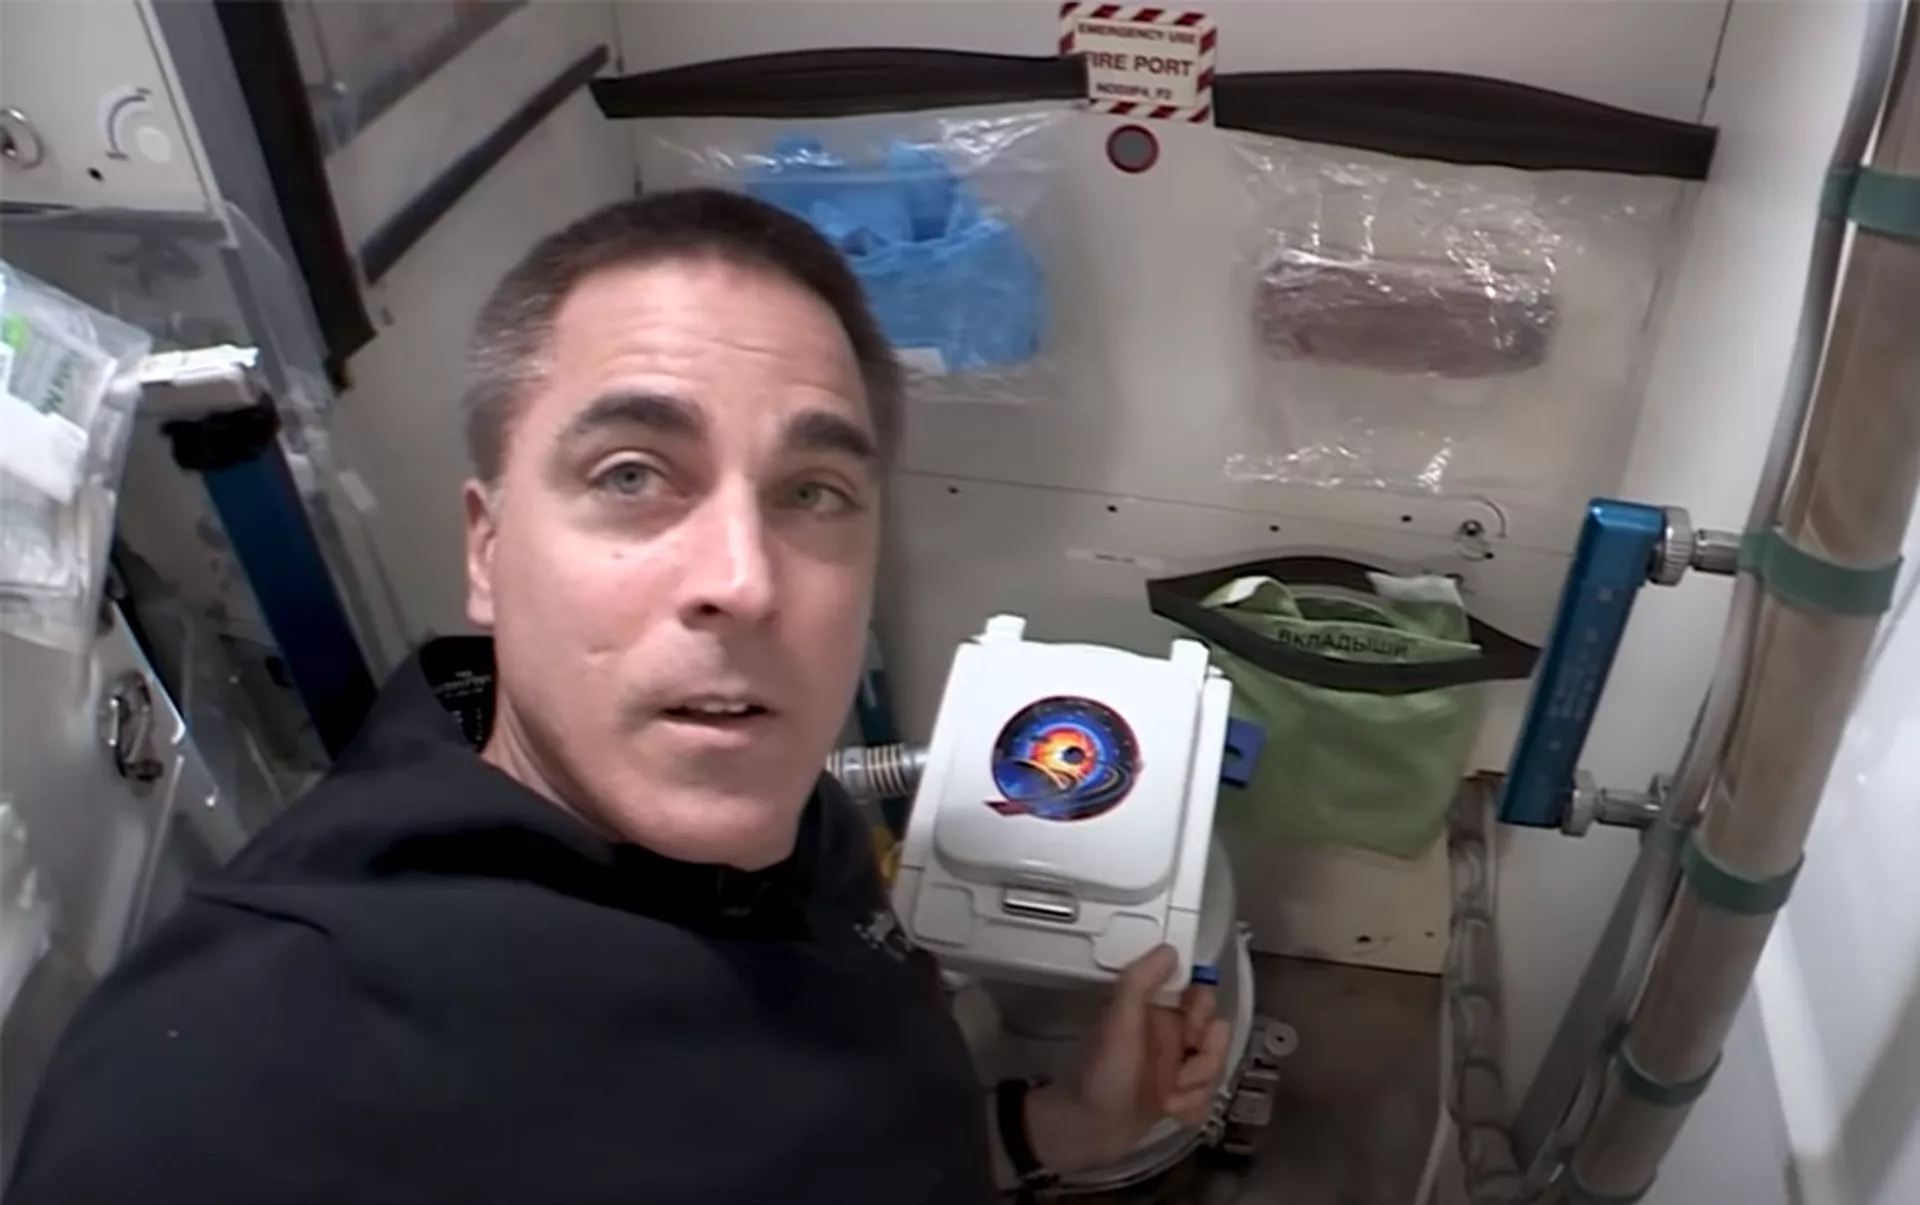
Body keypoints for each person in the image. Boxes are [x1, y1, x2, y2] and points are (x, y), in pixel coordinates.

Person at [5, 189, 1230, 1204]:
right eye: (634, 474)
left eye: (813, 492)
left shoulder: (785, 817)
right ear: (487, 548)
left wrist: (1057, 1126)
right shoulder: (229, 1085)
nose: (746, 581)